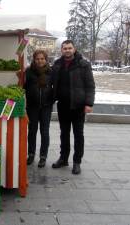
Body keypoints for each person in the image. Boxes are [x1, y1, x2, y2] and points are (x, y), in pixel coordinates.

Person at [51, 40, 95, 175]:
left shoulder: (83, 65)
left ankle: (77, 162)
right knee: (64, 134)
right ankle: (63, 159)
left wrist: (89, 103)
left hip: (78, 106)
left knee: (78, 135)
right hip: (63, 105)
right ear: (61, 50)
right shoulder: (57, 64)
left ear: (74, 49)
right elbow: (50, 80)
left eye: (69, 48)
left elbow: (90, 85)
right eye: (65, 48)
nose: (67, 50)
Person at [24, 50, 54, 168]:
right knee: (32, 131)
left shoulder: (51, 72)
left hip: (46, 106)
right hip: (32, 107)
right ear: (34, 60)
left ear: (46, 60)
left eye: (42, 59)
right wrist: (18, 77)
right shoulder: (29, 72)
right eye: (37, 59)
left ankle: (43, 156)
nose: (40, 61)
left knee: (44, 131)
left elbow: (55, 87)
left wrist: (52, 99)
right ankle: (31, 154)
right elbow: (23, 87)